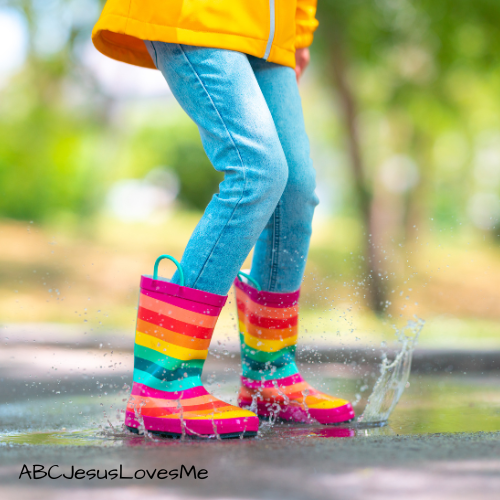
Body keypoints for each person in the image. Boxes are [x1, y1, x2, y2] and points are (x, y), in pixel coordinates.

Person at [92, 0, 354, 439]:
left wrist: (300, 29)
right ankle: (163, 382)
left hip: (270, 32)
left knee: (296, 189)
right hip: (199, 15)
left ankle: (271, 375)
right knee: (257, 169)